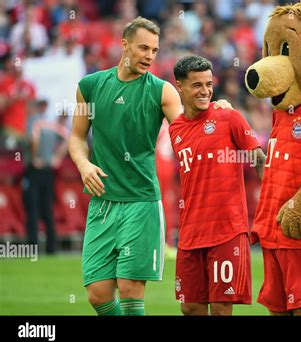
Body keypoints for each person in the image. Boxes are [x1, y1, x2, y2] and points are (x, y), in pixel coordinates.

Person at [68, 17, 230, 316]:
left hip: (141, 201)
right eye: (143, 48)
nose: (149, 56)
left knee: (130, 289)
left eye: (154, 50)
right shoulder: (89, 86)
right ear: (124, 44)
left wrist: (216, 113)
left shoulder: (162, 91)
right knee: (97, 294)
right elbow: (76, 138)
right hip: (102, 202)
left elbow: (188, 127)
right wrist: (83, 164)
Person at [169, 55, 266, 315]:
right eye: (197, 85)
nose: (205, 91)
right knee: (190, 307)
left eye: (208, 84)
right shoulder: (175, 128)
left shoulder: (228, 117)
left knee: (222, 308)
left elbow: (258, 159)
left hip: (227, 229)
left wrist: (272, 202)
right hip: (191, 231)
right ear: (179, 86)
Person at [23, 100, 69, 254]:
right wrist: (56, 157)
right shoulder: (51, 124)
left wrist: (35, 157)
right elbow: (68, 138)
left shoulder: (34, 121)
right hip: (49, 170)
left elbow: (34, 140)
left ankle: (32, 247)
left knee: (33, 208)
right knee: (48, 209)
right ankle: (51, 248)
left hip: (36, 169)